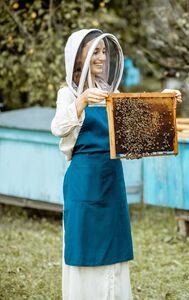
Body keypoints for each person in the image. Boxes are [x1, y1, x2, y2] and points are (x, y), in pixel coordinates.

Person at [51, 29, 133, 300]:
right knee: (84, 243)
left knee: (114, 244)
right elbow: (58, 127)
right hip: (84, 180)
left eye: (104, 51)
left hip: (112, 177)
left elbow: (129, 133)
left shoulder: (112, 91)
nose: (102, 57)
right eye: (95, 51)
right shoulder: (68, 93)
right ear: (78, 57)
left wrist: (163, 103)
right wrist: (82, 101)